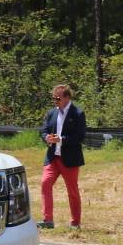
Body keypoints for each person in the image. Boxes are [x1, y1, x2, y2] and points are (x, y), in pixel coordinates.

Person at [39, 84, 86, 230]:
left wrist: (62, 139)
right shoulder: (51, 113)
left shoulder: (78, 113)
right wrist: (47, 137)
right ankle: (48, 220)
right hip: (53, 157)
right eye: (53, 98)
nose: (55, 100)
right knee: (45, 184)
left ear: (67, 97)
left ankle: (75, 222)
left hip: (70, 159)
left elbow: (80, 136)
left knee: (72, 190)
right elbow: (43, 129)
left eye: (57, 98)